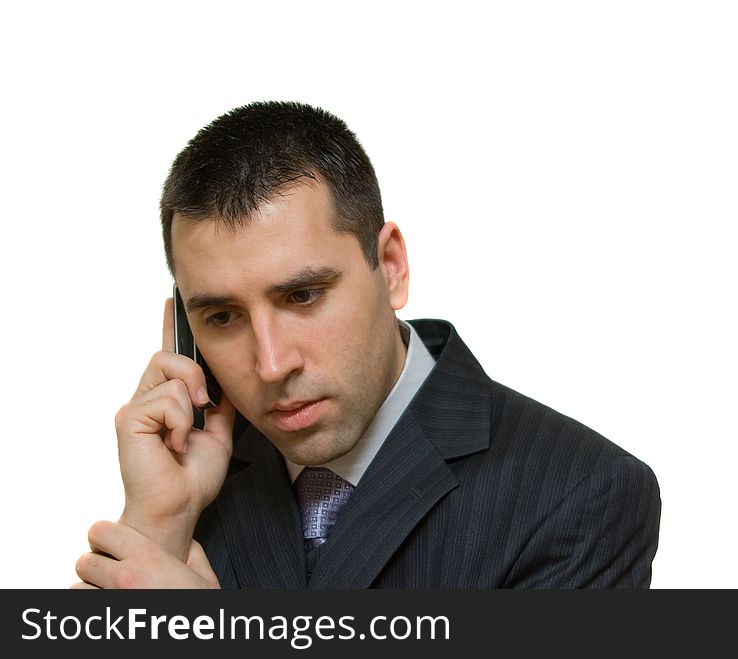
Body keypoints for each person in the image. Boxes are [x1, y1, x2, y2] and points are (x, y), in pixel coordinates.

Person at [73, 101, 661, 589]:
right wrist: (159, 523)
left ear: (391, 266)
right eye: (223, 316)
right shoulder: (193, 481)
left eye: (303, 295)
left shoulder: (580, 494)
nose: (272, 364)